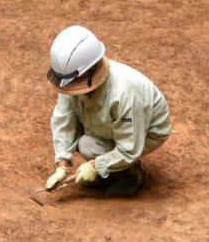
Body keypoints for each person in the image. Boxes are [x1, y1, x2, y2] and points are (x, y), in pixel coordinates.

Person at [45, 25, 171, 197]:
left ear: (89, 72)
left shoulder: (124, 93)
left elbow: (129, 148)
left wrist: (95, 166)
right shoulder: (71, 80)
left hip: (146, 130)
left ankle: (130, 173)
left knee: (91, 148)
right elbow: (63, 119)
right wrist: (62, 163)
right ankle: (109, 166)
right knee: (87, 144)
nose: (69, 88)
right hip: (107, 123)